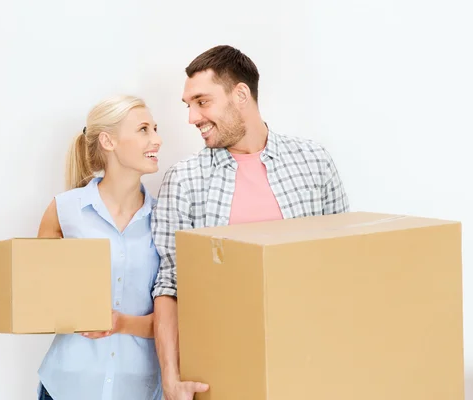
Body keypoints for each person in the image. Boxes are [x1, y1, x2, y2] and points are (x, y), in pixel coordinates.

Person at [150, 45, 350, 400]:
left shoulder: (314, 162)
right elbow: (169, 285)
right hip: (222, 367)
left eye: (202, 101)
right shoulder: (184, 180)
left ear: (240, 94)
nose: (192, 118)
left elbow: (342, 263)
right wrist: (170, 378)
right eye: (189, 105)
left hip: (309, 360)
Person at [0, 95, 164, 400]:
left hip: (138, 390)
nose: (157, 139)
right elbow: (31, 299)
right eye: (144, 129)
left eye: (155, 128)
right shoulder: (65, 211)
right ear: (108, 141)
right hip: (67, 386)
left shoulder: (165, 218)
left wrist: (122, 323)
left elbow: (177, 319)